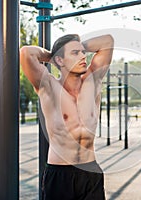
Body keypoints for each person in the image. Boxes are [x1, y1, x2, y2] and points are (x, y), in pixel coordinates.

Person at [20, 34, 114, 200]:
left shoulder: (93, 82)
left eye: (83, 52)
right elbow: (26, 53)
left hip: (90, 172)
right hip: (59, 174)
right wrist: (55, 56)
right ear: (60, 61)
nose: (83, 56)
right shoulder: (48, 87)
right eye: (75, 53)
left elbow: (107, 41)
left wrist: (74, 47)